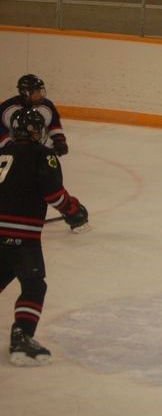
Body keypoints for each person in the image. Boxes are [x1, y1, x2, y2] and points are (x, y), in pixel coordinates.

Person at [0, 108, 89, 366]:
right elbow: (53, 194)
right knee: (34, 284)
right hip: (22, 235)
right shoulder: (43, 154)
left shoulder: (2, 153)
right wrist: (74, 211)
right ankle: (22, 337)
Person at [1, 74, 69, 156]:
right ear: (25, 92)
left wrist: (59, 141)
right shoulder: (6, 108)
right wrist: (9, 146)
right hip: (16, 153)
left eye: (41, 91)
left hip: (42, 150)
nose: (40, 95)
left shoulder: (47, 105)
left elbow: (54, 125)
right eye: (36, 92)